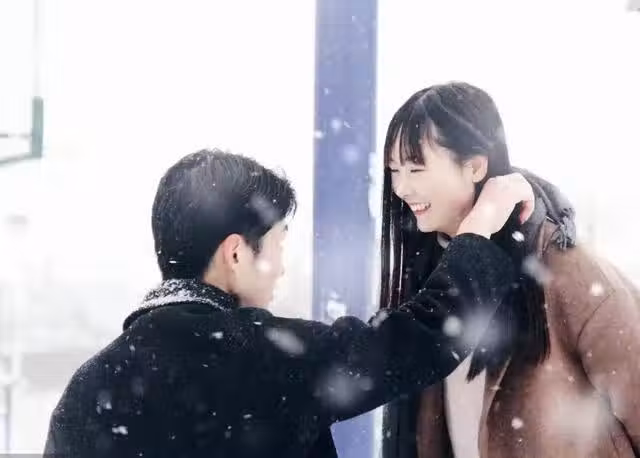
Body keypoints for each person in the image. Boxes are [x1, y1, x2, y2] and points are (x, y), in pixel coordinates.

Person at [44, 149, 533, 458]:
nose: (281, 267)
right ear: (236, 253)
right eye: (278, 244)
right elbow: (421, 339)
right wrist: (480, 229)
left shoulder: (87, 390)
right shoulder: (262, 357)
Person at [380, 82, 640, 458]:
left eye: (416, 168)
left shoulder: (565, 270)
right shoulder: (427, 276)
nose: (401, 187)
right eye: (394, 170)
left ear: (475, 166)